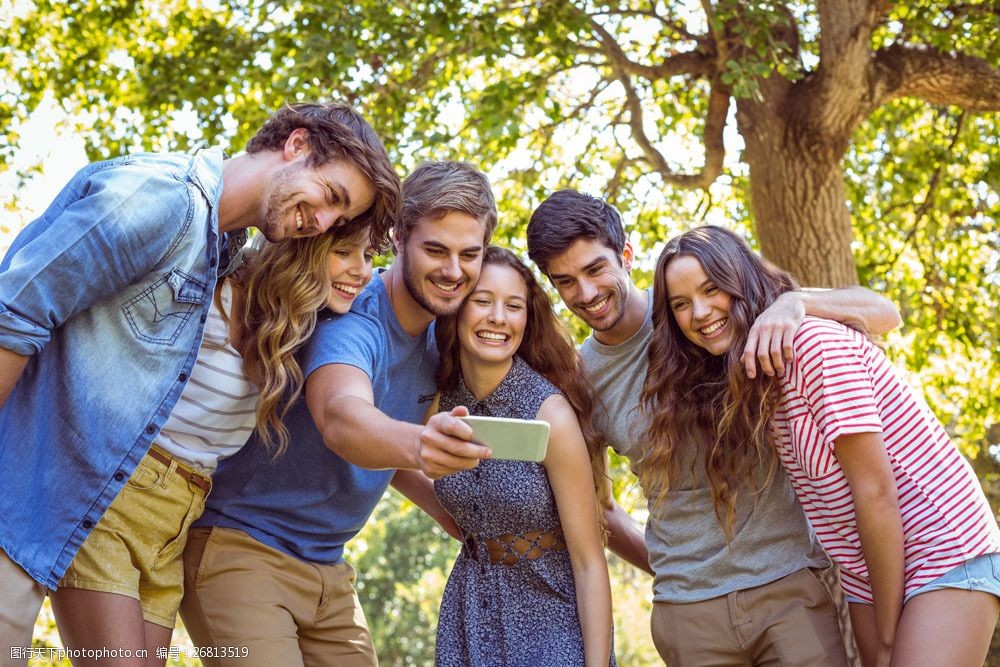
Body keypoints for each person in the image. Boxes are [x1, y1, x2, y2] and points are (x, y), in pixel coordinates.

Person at [0, 100, 398, 666]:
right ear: (298, 145)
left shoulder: (221, 250)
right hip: (102, 496)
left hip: (177, 518)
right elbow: (15, 312)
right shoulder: (165, 199)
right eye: (332, 198)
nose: (324, 221)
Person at [526, 190, 902, 667]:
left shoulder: (703, 310)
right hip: (689, 616)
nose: (586, 293)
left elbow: (882, 311)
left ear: (625, 255)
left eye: (595, 269)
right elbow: (600, 510)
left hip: (788, 588)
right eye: (565, 281)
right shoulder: (579, 381)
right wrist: (676, 571)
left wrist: (794, 303)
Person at [179, 160, 498, 667]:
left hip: (329, 570)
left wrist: (459, 519)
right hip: (242, 551)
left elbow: (382, 452)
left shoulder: (442, 335)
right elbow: (341, 417)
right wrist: (421, 444)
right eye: (435, 250)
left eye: (469, 254)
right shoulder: (353, 320)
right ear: (397, 239)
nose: (453, 271)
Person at [643, 225, 1000, 667]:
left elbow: (875, 492)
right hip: (866, 567)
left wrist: (886, 639)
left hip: (944, 549)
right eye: (681, 303)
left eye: (712, 289)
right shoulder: (750, 374)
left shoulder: (812, 346)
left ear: (742, 281)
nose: (699, 312)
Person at [49, 225, 390, 666]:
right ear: (302, 249)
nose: (362, 272)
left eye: (368, 256)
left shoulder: (295, 328)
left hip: (181, 520)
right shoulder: (210, 291)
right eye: (344, 253)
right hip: (114, 502)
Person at [432, 246, 614, 666]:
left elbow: (588, 561)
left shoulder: (549, 413)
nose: (498, 317)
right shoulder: (440, 398)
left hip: (551, 617)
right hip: (470, 611)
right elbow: (395, 461)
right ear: (457, 309)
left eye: (513, 306)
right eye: (483, 301)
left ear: (526, 320)